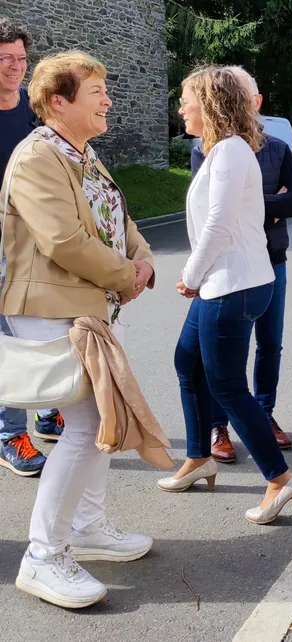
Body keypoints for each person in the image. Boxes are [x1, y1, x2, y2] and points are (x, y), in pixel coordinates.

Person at [2, 51, 157, 608]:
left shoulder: (80, 153)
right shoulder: (37, 157)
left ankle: (87, 529)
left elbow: (118, 217)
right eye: (97, 92)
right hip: (46, 307)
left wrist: (143, 259)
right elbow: (63, 241)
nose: (108, 100)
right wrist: (126, 276)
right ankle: (43, 556)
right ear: (59, 102)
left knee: (96, 420)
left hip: (83, 306)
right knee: (89, 420)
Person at [157, 66, 292, 525]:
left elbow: (218, 225)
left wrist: (191, 275)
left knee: (228, 388)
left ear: (210, 103)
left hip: (231, 286)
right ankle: (198, 458)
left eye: (186, 99)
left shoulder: (231, 153)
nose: (180, 107)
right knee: (187, 361)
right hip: (228, 282)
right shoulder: (222, 150)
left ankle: (280, 479)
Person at [191, 65, 292, 464]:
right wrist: (263, 204)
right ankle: (218, 427)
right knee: (221, 357)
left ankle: (264, 414)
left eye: (244, 93)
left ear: (256, 102)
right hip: (228, 270)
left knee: (270, 345)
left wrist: (252, 205)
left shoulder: (275, 147)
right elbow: (211, 211)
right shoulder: (205, 147)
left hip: (273, 261)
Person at [0, 18, 64, 479]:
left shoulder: (30, 106)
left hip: (35, 237)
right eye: (5, 59)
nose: (14, 68)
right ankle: (9, 435)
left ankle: (45, 411)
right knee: (8, 338)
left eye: (21, 59)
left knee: (43, 328)